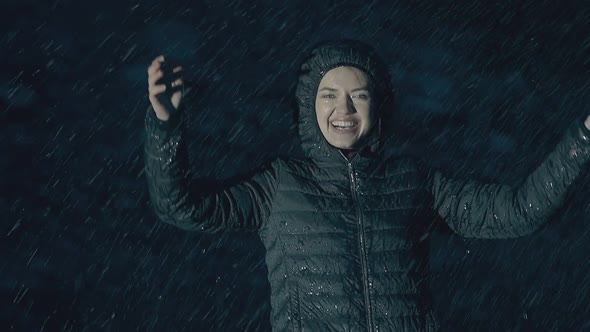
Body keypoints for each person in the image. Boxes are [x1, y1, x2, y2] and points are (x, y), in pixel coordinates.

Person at [144, 40, 590, 331]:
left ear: (377, 107)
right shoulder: (279, 185)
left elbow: (519, 210)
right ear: (308, 108)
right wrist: (166, 124)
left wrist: (582, 138)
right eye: (328, 94)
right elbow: (181, 207)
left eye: (358, 95)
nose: (344, 108)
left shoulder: (413, 182)